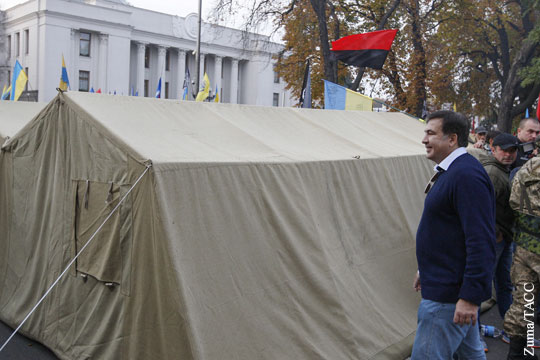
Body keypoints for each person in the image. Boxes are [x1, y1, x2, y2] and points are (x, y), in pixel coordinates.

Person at [412, 110, 496, 360]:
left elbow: (481, 241)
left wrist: (470, 298)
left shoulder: (465, 176)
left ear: (452, 139)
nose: (424, 139)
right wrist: (426, 270)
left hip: (447, 302)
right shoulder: (454, 171)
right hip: (449, 292)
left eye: (431, 133)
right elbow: (449, 233)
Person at [480, 134, 518, 319]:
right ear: (493, 149)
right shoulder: (493, 173)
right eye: (504, 150)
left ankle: (510, 327)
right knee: (482, 285)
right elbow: (480, 209)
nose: (509, 154)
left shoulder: (501, 170)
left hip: (502, 238)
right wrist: (495, 234)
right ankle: (474, 339)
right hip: (494, 239)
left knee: (504, 283)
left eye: (512, 150)